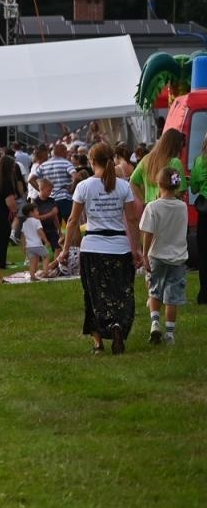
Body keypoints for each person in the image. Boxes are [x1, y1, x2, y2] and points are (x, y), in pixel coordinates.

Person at [65, 143, 143, 354]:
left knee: (93, 295)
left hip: (93, 248)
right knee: (120, 293)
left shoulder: (84, 186)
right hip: (120, 246)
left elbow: (73, 220)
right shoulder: (123, 186)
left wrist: (64, 250)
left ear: (92, 161)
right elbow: (132, 220)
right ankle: (117, 325)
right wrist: (136, 249)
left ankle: (98, 343)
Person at [140, 167, 188, 345]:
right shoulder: (182, 207)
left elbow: (148, 232)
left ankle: (154, 322)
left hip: (157, 255)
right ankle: (170, 333)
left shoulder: (153, 206)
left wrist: (144, 254)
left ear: (158, 184)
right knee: (171, 297)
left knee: (155, 291)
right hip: (178, 257)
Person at [29, 142, 77, 220]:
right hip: (65, 198)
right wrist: (71, 190)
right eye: (66, 151)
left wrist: (42, 191)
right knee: (71, 224)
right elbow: (76, 176)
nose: (67, 154)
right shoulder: (66, 163)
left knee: (55, 226)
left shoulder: (44, 165)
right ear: (62, 152)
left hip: (50, 200)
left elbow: (30, 180)